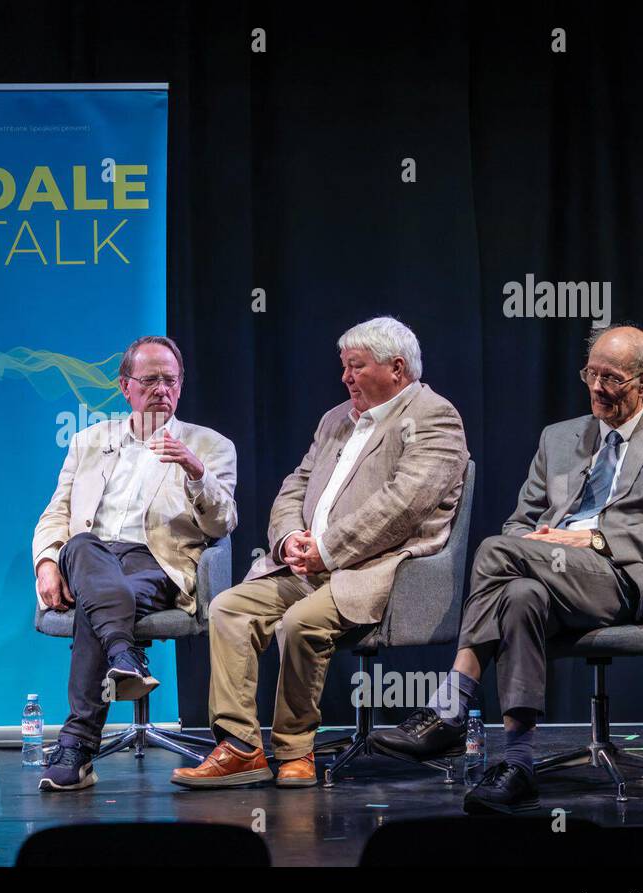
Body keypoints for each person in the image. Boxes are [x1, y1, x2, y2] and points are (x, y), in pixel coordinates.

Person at [371, 325, 643, 814]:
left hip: (621, 577)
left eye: (611, 378)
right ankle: (519, 764)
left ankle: (452, 704)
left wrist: (588, 537)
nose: (595, 387)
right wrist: (540, 546)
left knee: (493, 551)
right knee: (520, 595)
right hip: (545, 571)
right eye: (590, 373)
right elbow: (520, 522)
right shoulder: (559, 438)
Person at [173, 316, 468, 789]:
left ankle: (295, 749)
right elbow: (296, 484)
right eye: (344, 367)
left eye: (356, 366)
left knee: (300, 622)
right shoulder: (336, 419)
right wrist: (289, 538)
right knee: (228, 608)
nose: (346, 377)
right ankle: (241, 747)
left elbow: (402, 506)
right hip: (308, 563)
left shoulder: (434, 417)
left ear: (396, 369)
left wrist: (327, 550)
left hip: (376, 568)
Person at [31, 335, 238, 791]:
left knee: (96, 602)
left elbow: (223, 524)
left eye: (171, 380)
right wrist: (47, 563)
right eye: (150, 380)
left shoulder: (209, 445)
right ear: (126, 386)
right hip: (90, 557)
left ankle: (78, 744)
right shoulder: (90, 441)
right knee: (83, 544)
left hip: (158, 565)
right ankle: (125, 657)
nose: (162, 389)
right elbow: (56, 514)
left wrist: (196, 472)